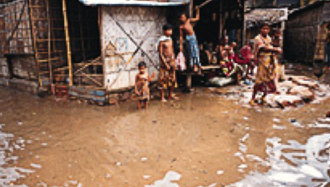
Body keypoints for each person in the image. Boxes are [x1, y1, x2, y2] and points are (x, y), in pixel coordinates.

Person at [249, 22, 282, 106]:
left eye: (267, 29)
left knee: (269, 79)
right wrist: (275, 50)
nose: (265, 30)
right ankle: (252, 98)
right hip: (262, 61)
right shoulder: (257, 38)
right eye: (264, 28)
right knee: (259, 80)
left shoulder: (268, 38)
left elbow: (272, 45)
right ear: (260, 29)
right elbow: (263, 48)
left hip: (270, 61)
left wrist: (277, 39)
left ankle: (264, 96)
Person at [157, 23, 179, 102]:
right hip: (164, 61)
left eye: (171, 30)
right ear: (164, 31)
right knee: (162, 79)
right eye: (169, 30)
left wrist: (174, 61)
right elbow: (160, 53)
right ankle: (162, 97)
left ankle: (170, 94)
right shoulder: (161, 41)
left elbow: (172, 50)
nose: (170, 32)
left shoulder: (170, 39)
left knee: (172, 79)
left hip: (171, 60)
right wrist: (165, 63)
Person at [179, 7, 201, 73]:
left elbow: (197, 18)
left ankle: (197, 65)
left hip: (193, 37)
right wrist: (181, 45)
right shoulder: (181, 27)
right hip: (188, 38)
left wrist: (197, 10)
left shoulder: (188, 21)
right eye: (181, 17)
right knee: (191, 52)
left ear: (186, 17)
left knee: (195, 50)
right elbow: (181, 36)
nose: (182, 19)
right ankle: (193, 66)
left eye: (183, 17)